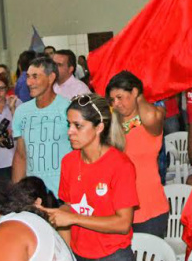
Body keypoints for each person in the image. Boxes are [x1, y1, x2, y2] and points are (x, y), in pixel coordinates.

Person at [41, 93, 139, 261]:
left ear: (99, 127)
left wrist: (72, 218)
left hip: (113, 255)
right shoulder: (69, 161)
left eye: (78, 126)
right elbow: (69, 205)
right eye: (69, 124)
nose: (70, 131)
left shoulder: (120, 165)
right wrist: (54, 214)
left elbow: (123, 224)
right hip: (79, 253)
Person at [106, 71, 169, 238]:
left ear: (134, 92)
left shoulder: (149, 120)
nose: (116, 103)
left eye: (120, 97)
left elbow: (151, 115)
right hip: (119, 212)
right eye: (113, 100)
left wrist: (138, 95)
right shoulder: (113, 126)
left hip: (149, 208)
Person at [12, 57, 71, 196]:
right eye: (28, 77)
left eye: (35, 77)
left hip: (64, 193)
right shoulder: (21, 111)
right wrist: (16, 194)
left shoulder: (68, 109)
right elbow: (21, 156)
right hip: (34, 193)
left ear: (51, 78)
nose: (29, 82)